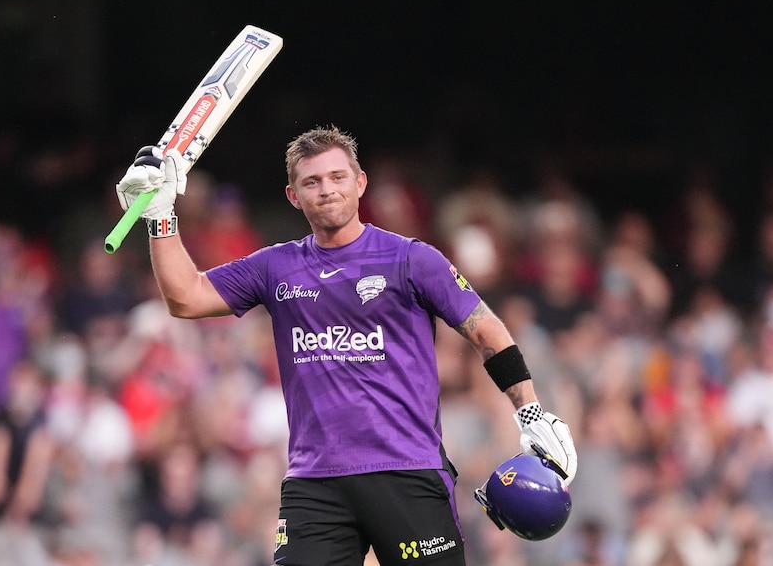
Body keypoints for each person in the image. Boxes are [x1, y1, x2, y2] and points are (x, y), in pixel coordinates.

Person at [115, 125, 577, 565]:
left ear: (360, 183)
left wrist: (531, 412)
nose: (327, 189)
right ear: (294, 197)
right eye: (311, 182)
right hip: (314, 483)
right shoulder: (275, 267)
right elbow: (185, 297)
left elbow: (487, 333)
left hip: (406, 471)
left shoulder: (412, 259)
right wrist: (160, 216)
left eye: (338, 177)